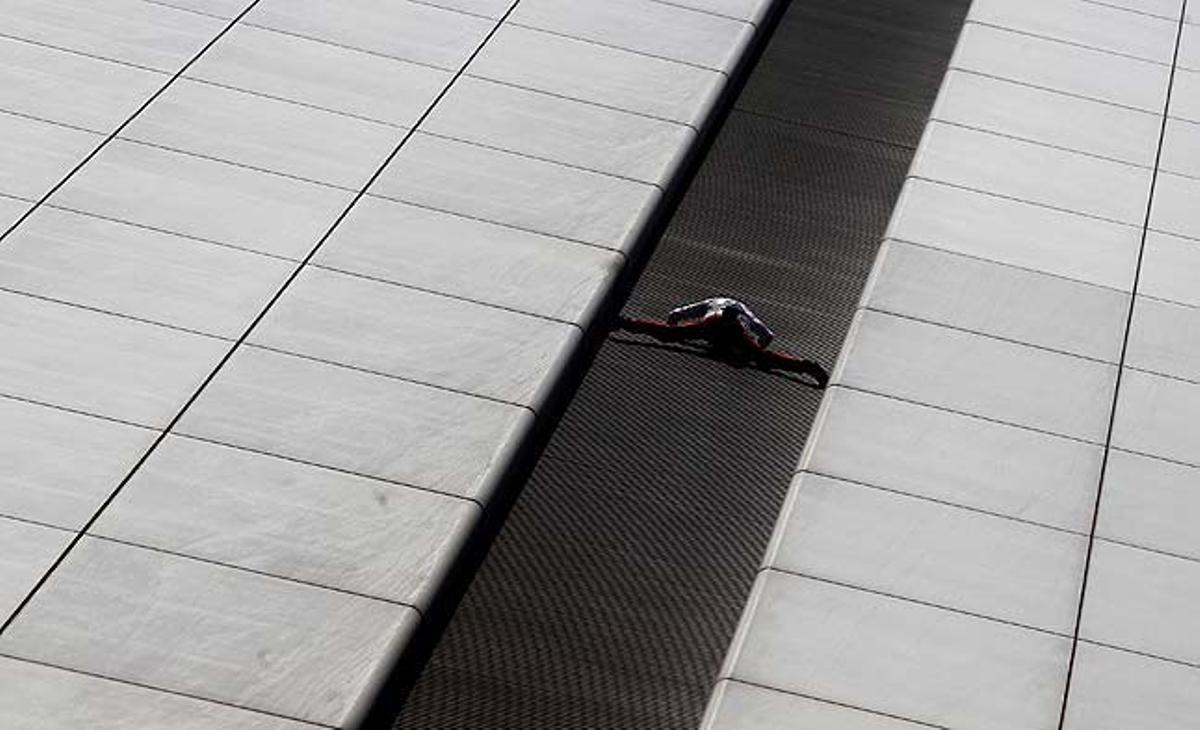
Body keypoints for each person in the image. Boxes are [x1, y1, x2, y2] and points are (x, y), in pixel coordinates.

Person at [616, 297, 829, 387]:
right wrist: (754, 352)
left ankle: (626, 323)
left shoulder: (713, 302)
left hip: (711, 324)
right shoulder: (743, 312)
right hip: (733, 331)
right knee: (765, 358)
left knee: (670, 335)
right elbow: (767, 335)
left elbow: (676, 315)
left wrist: (674, 325)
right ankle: (806, 366)